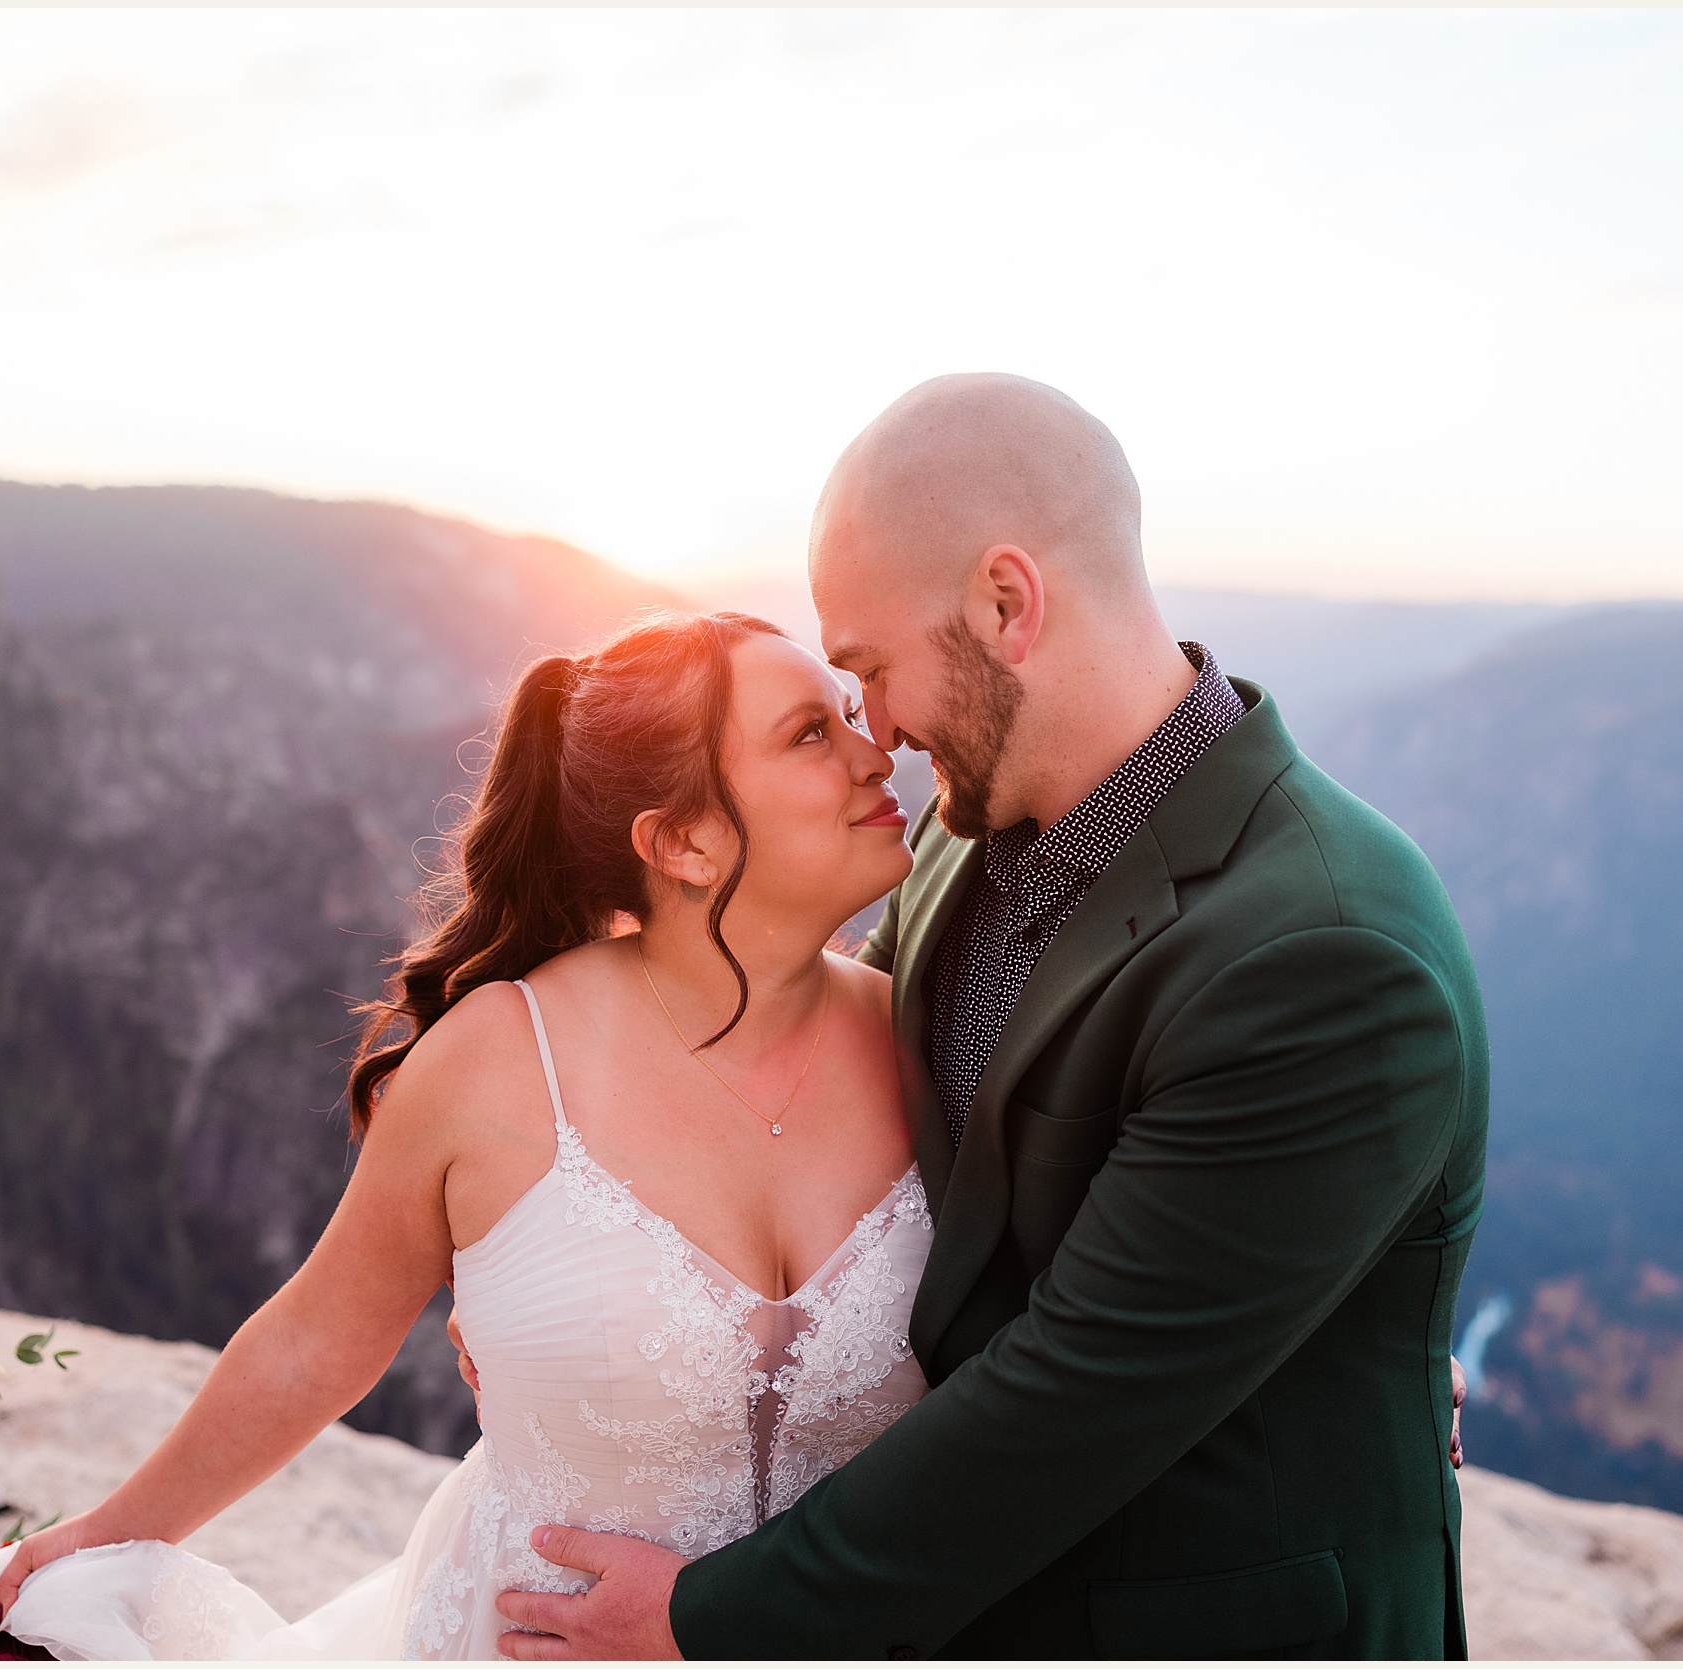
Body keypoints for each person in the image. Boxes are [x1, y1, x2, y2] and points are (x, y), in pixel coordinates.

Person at [490, 374, 1489, 1659]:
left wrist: (707, 1620)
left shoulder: (1323, 955)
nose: (880, 733)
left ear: (1006, 605)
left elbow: (1079, 1396)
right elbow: (806, 1090)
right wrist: (565, 1281)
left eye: (872, 672)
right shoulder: (971, 843)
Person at [0, 610, 934, 1658]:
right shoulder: (501, 1059)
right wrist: (111, 1535)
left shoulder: (925, 1038)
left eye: (847, 716)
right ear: (682, 842)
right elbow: (315, 1340)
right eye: (808, 734)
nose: (875, 751)